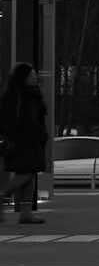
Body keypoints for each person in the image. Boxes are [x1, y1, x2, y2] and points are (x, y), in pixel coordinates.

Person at [0, 63, 46, 225]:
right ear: (23, 78)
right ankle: (3, 196)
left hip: (33, 141)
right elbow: (11, 121)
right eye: (31, 75)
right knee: (25, 173)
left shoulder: (32, 94)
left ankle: (26, 214)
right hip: (22, 141)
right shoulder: (17, 97)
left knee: (30, 175)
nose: (35, 78)